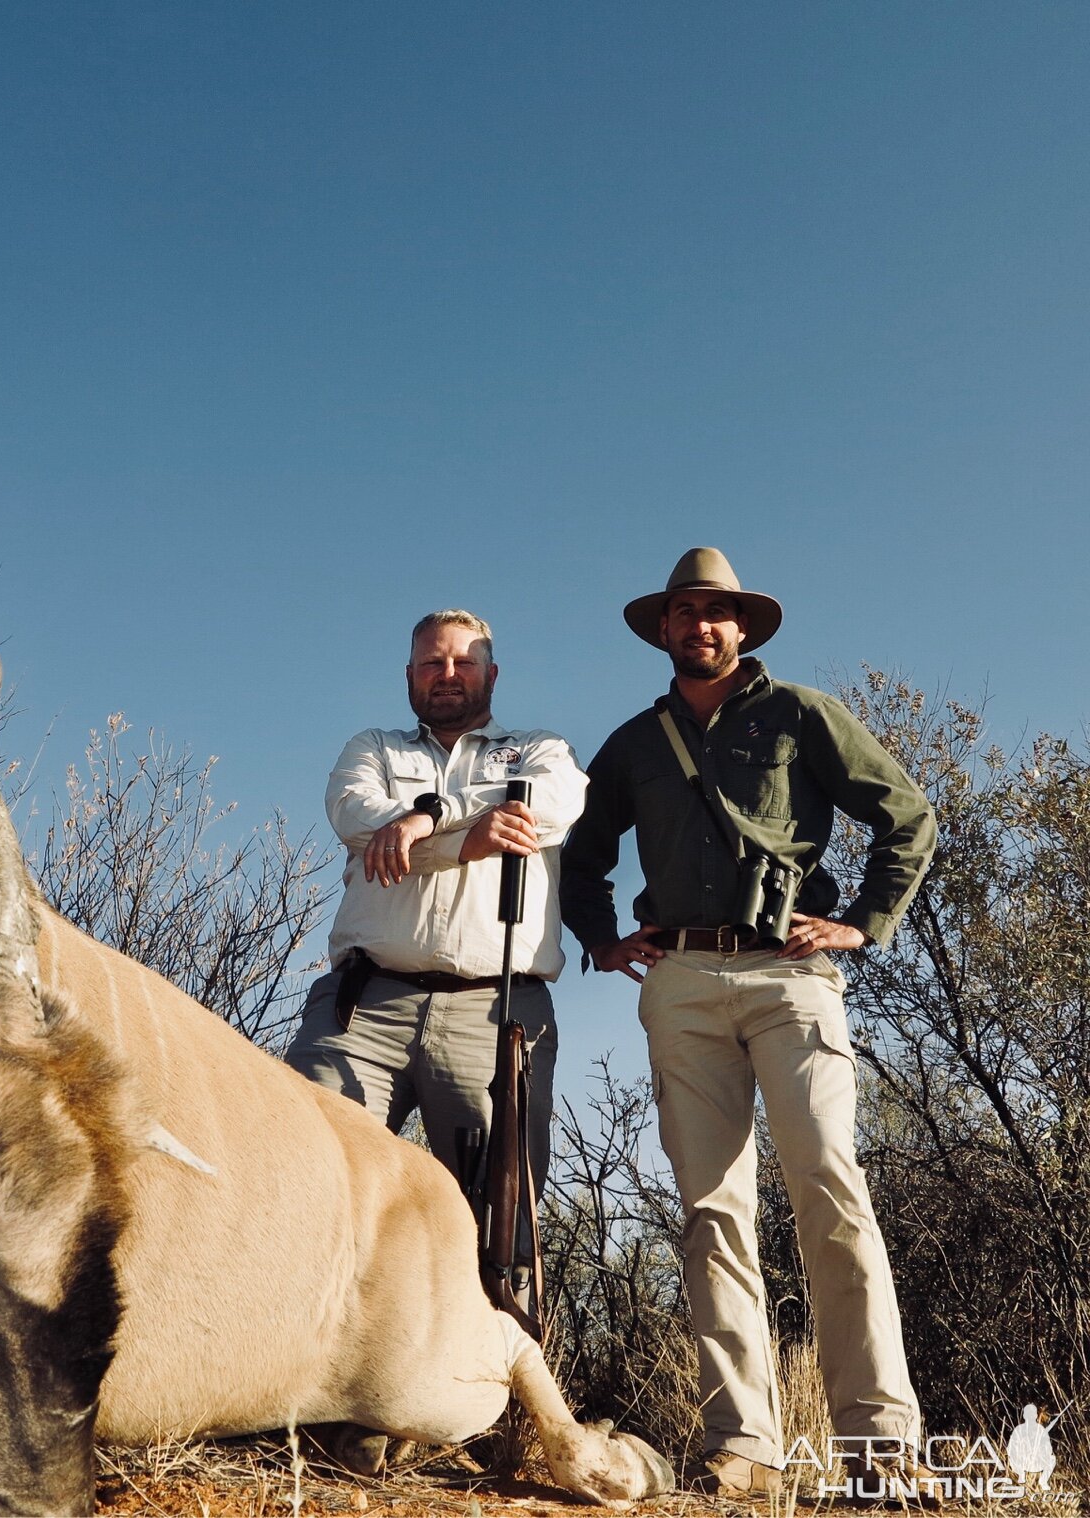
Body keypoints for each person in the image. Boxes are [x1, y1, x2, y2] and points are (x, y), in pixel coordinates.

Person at [560, 548, 940, 1503]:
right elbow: (581, 853)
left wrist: (864, 922)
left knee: (830, 1190)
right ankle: (746, 1449)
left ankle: (880, 1445)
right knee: (712, 1214)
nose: (700, 626)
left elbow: (906, 813)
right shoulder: (633, 743)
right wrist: (603, 939)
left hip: (790, 975)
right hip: (681, 979)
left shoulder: (801, 715)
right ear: (662, 630)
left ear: (743, 628)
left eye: (716, 612)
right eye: (683, 612)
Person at [285, 609, 586, 1211]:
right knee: (302, 1176)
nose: (447, 673)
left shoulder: (540, 750)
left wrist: (429, 815)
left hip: (495, 1008)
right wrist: (468, 840)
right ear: (409, 675)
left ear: (491, 673)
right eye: (432, 662)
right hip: (364, 1007)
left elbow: (550, 803)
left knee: (500, 1219)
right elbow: (356, 818)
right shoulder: (371, 748)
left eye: (462, 661)